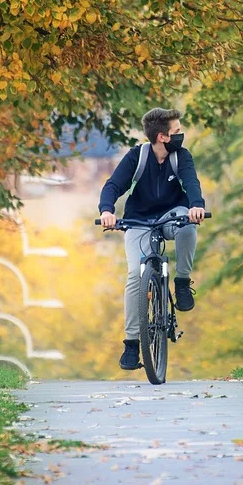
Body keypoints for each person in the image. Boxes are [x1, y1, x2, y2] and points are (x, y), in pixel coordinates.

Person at [98, 108, 206, 370]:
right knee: (136, 273)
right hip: (139, 221)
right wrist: (107, 211)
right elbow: (113, 185)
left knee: (188, 226)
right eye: (177, 131)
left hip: (172, 216)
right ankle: (132, 344)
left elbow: (192, 183)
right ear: (162, 137)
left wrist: (196, 205)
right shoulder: (138, 157)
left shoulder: (181, 157)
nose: (181, 135)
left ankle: (181, 282)